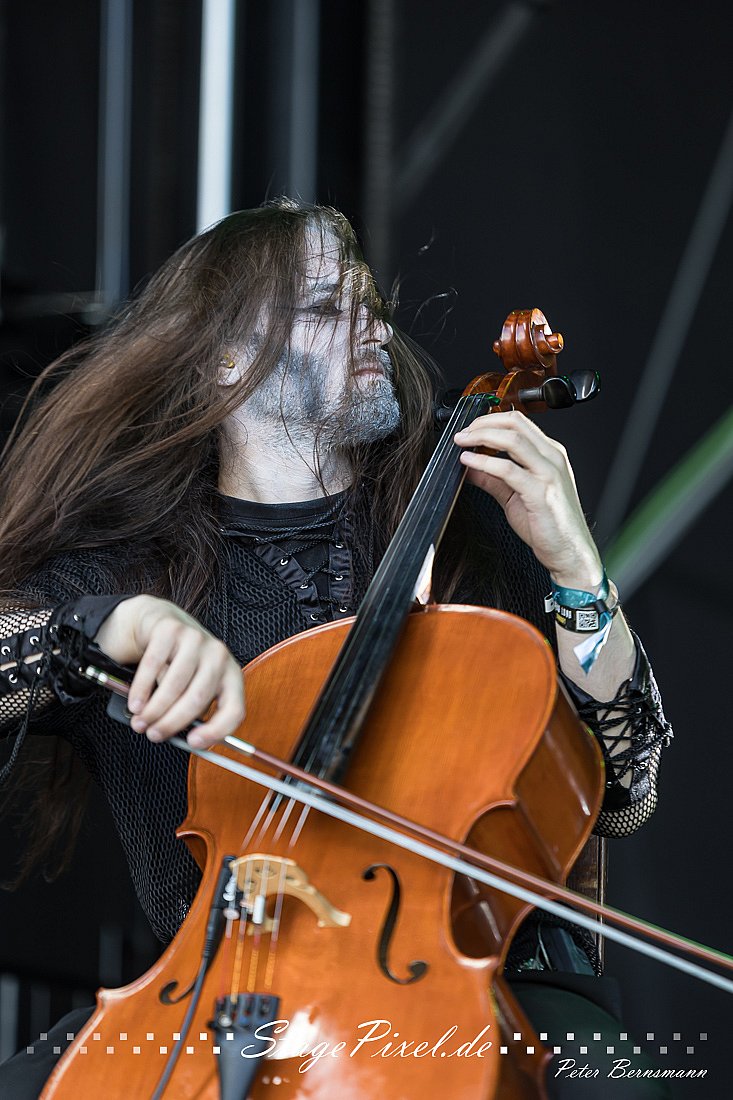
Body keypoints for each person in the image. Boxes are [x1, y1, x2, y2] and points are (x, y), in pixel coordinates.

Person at [0, 198, 672, 1097]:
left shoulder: (473, 534)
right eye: (326, 308)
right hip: (218, 999)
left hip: (475, 981)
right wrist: (102, 627)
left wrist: (577, 575)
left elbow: (622, 794)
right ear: (223, 360)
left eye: (371, 305)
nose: (375, 328)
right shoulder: (132, 568)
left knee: (610, 1084)